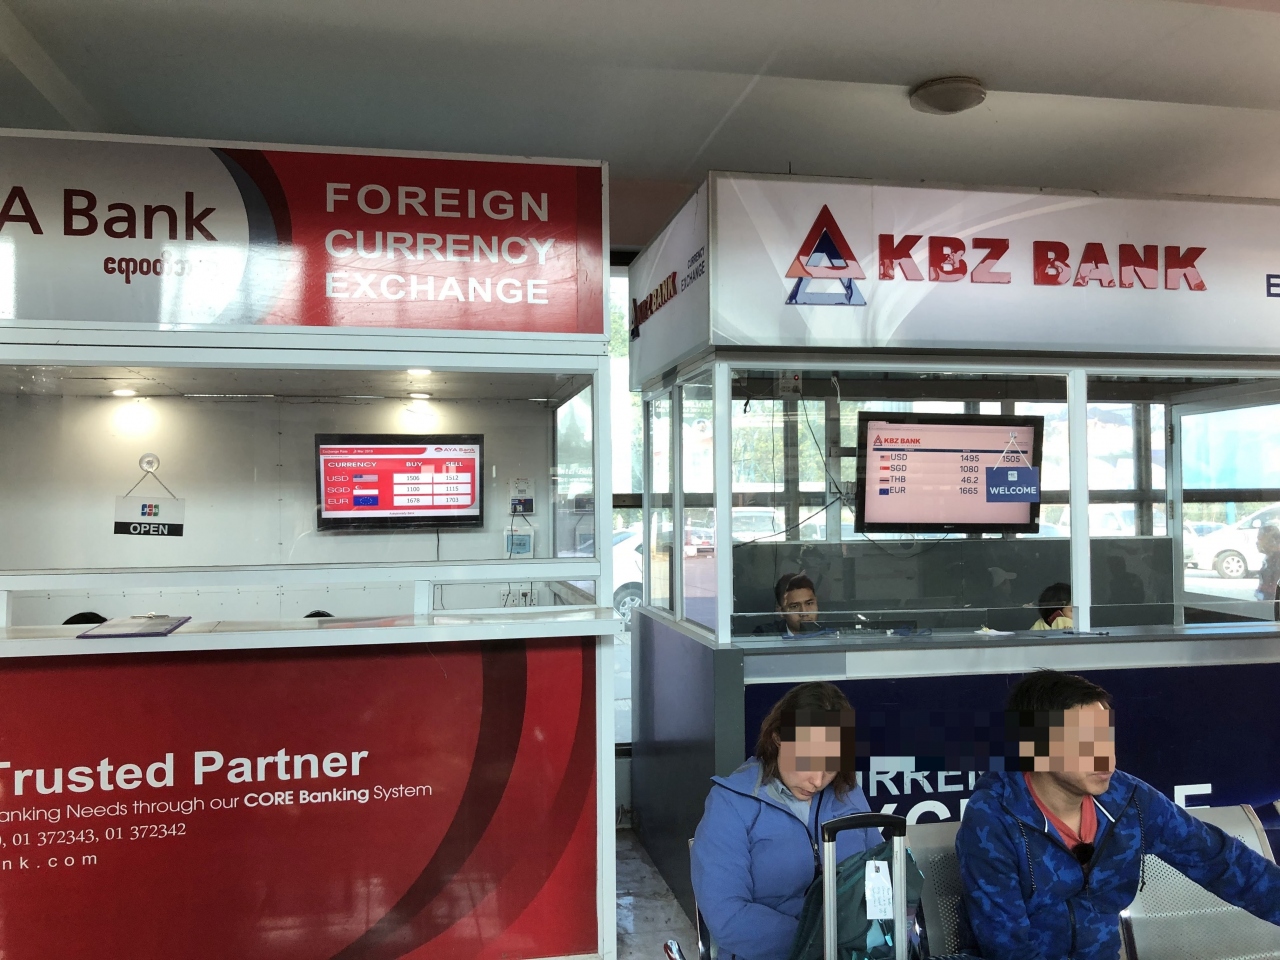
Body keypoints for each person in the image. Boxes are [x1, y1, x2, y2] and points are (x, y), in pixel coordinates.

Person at [955, 669, 1280, 960]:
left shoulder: (1129, 800)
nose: (1105, 759)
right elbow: (1007, 948)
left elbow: (1223, 862)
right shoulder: (992, 819)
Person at [691, 681, 882, 960]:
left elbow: (882, 873)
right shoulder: (731, 804)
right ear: (778, 738)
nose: (817, 780)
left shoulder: (847, 793)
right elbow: (728, 916)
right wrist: (821, 943)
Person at [754, 573, 827, 637]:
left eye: (809, 603)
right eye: (795, 606)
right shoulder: (765, 634)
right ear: (781, 611)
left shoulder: (829, 634)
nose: (804, 612)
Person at [1255, 523, 1280, 603]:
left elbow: (1274, 587)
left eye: (1260, 539)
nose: (1257, 543)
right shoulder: (1269, 557)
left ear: (1271, 541)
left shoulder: (1276, 559)